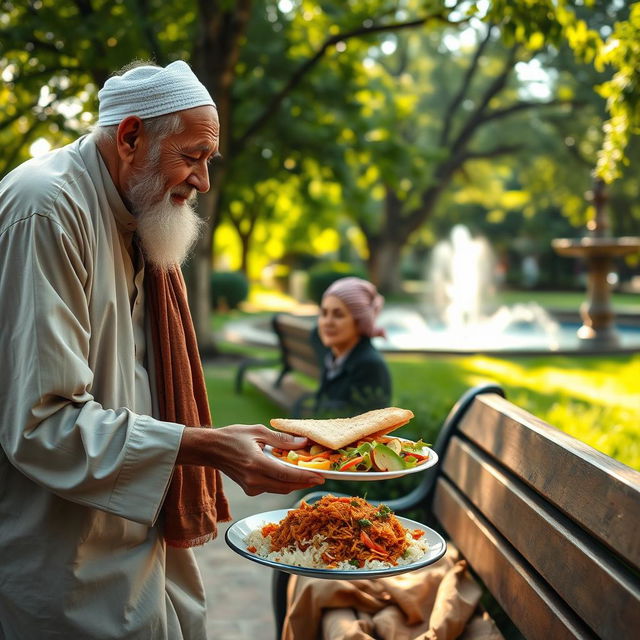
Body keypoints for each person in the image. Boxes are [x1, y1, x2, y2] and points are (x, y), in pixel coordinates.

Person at [0, 59, 324, 639]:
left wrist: (202, 448)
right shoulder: (46, 209)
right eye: (192, 156)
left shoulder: (133, 212)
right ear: (130, 137)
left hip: (135, 528)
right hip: (62, 550)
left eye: (207, 160)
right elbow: (40, 420)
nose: (202, 181)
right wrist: (209, 447)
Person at [312, 277, 392, 416]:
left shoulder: (369, 366)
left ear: (360, 322)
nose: (327, 322)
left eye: (338, 315)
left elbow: (366, 429)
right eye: (324, 313)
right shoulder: (335, 355)